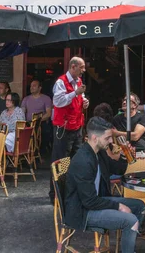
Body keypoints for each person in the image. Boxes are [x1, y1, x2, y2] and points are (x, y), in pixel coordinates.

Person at [64, 117, 145, 253]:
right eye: (108, 137)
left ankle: (127, 245)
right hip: (83, 211)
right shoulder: (83, 160)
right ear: (95, 137)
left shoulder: (98, 152)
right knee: (131, 220)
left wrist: (125, 155)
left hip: (95, 201)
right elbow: (89, 201)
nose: (110, 141)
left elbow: (117, 170)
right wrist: (118, 206)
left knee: (139, 206)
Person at [50, 56, 89, 201]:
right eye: (82, 67)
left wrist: (84, 102)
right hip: (64, 129)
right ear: (73, 67)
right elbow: (58, 102)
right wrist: (75, 93)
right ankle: (56, 195)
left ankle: (71, 193)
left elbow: (80, 97)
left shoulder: (78, 81)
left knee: (76, 160)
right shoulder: (61, 82)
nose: (83, 70)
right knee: (61, 162)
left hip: (77, 127)